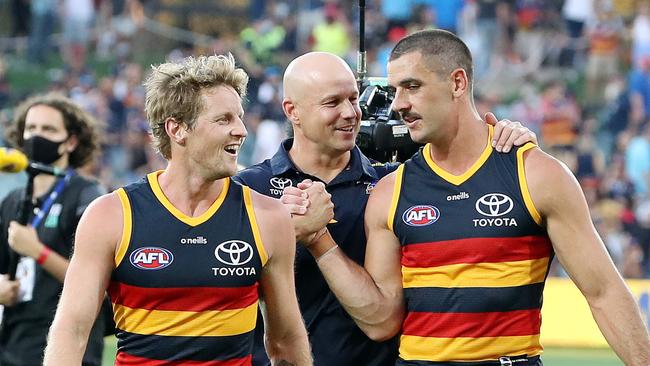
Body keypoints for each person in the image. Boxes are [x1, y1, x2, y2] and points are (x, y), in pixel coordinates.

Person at [291, 30, 650, 365]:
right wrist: (320, 240)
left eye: (412, 87)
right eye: (396, 89)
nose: (399, 103)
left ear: (457, 83)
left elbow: (604, 293)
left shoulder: (536, 175)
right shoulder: (390, 191)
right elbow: (381, 320)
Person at [235, 51, 538, 366]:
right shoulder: (249, 189)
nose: (351, 113)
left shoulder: (396, 184)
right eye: (332, 103)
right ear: (292, 111)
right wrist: (280, 231)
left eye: (353, 99)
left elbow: (476, 188)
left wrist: (512, 145)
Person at [43, 54, 312, 365]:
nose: (241, 130)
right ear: (178, 129)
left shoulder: (267, 217)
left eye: (239, 117)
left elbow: (285, 340)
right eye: (224, 119)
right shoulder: (111, 215)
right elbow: (72, 330)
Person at [0, 93, 107, 366]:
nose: (37, 136)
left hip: (66, 346)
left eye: (48, 129)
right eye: (31, 128)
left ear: (71, 141)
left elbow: (98, 283)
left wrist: (38, 252)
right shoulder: (12, 201)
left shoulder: (88, 195)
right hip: (14, 344)